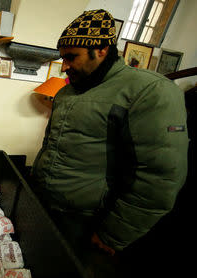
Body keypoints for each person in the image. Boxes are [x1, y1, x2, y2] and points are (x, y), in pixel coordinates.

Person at [32, 9, 188, 257]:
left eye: (72, 57)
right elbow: (50, 145)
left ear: (102, 49)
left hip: (89, 222)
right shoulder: (66, 93)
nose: (64, 67)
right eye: (63, 58)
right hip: (47, 208)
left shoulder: (150, 91)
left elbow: (160, 177)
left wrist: (113, 233)